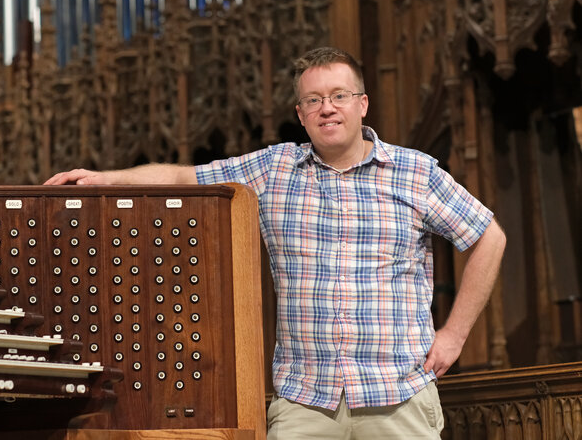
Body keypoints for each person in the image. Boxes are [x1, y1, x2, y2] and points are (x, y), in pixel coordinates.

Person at [45, 46, 505, 439]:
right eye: (314, 99)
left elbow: (489, 236)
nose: (328, 107)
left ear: (362, 104)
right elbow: (186, 175)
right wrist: (103, 178)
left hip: (397, 394)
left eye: (339, 96)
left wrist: (454, 335)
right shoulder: (274, 169)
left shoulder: (415, 173)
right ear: (300, 114)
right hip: (306, 401)